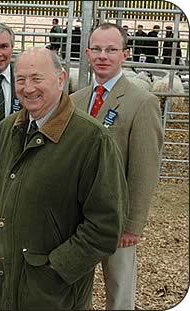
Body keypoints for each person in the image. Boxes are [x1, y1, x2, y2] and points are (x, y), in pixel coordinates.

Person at [0, 47, 127, 310]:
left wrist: (57, 267)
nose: (28, 88)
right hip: (2, 280)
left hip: (52, 294)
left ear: (60, 79)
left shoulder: (91, 140)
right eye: (20, 79)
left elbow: (106, 225)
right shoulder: (8, 129)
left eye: (37, 78)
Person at [70, 23, 163, 310]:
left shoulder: (142, 102)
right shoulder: (75, 101)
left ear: (125, 54)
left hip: (116, 218)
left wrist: (133, 224)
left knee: (120, 289)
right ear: (87, 53)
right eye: (96, 49)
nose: (103, 56)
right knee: (73, 285)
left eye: (111, 50)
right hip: (76, 217)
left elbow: (144, 169)